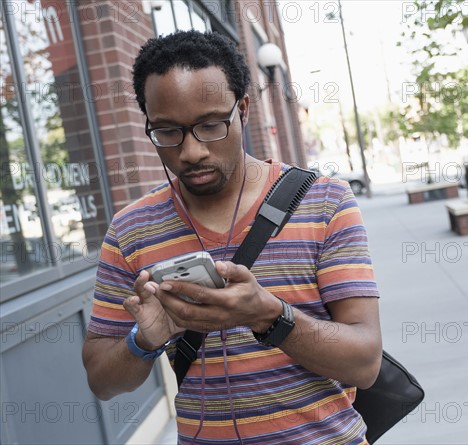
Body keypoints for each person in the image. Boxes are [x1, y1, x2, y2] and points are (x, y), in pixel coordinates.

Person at [82, 30, 382, 445]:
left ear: (242, 109)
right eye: (167, 132)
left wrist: (268, 316)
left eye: (209, 125)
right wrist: (144, 340)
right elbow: (102, 381)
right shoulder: (131, 230)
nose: (190, 152)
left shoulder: (324, 201)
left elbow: (365, 361)